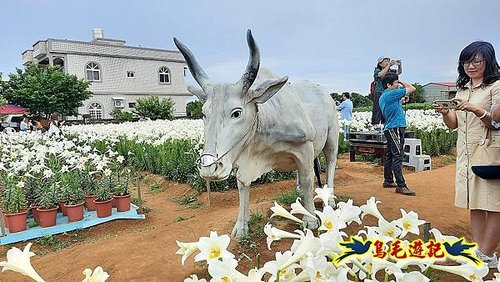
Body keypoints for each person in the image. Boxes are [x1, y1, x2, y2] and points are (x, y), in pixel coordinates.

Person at [433, 41, 500, 268]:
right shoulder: (462, 89)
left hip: (490, 152)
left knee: (495, 204)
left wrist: (475, 108)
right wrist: (445, 113)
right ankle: (478, 250)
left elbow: (496, 123)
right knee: (476, 203)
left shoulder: (496, 87)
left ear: (488, 61)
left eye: (476, 61)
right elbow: (454, 124)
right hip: (467, 153)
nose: (470, 66)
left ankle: (488, 255)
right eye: (466, 61)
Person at [379, 74, 416, 196]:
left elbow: (395, 104)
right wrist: (401, 82)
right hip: (395, 127)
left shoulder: (385, 96)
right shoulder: (391, 94)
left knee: (390, 155)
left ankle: (388, 180)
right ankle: (401, 185)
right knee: (398, 155)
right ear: (388, 85)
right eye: (394, 82)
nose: (397, 84)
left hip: (390, 128)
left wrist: (401, 101)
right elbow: (412, 88)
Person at [372, 57, 402, 130]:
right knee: (378, 107)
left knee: (386, 108)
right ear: (380, 63)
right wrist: (389, 65)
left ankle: (384, 123)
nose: (387, 62)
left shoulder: (390, 71)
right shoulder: (377, 70)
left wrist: (399, 65)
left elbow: (399, 72)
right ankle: (375, 124)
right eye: (385, 61)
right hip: (380, 91)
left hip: (388, 92)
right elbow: (380, 75)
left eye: (388, 61)